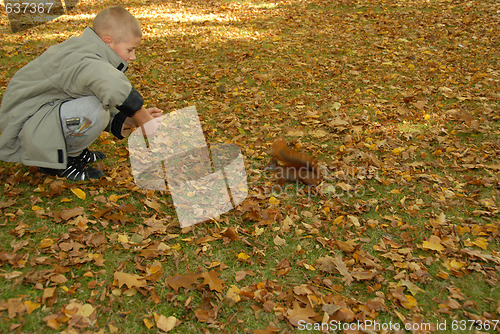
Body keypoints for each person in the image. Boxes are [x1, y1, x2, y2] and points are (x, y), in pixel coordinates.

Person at [0, 6, 162, 181]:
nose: (133, 56)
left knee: (96, 103)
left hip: (37, 119)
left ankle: (70, 150)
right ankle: (60, 161)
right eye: (130, 50)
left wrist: (128, 120)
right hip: (26, 126)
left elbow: (87, 97)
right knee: (94, 109)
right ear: (108, 41)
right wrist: (144, 119)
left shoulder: (84, 50)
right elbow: (113, 88)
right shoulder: (86, 59)